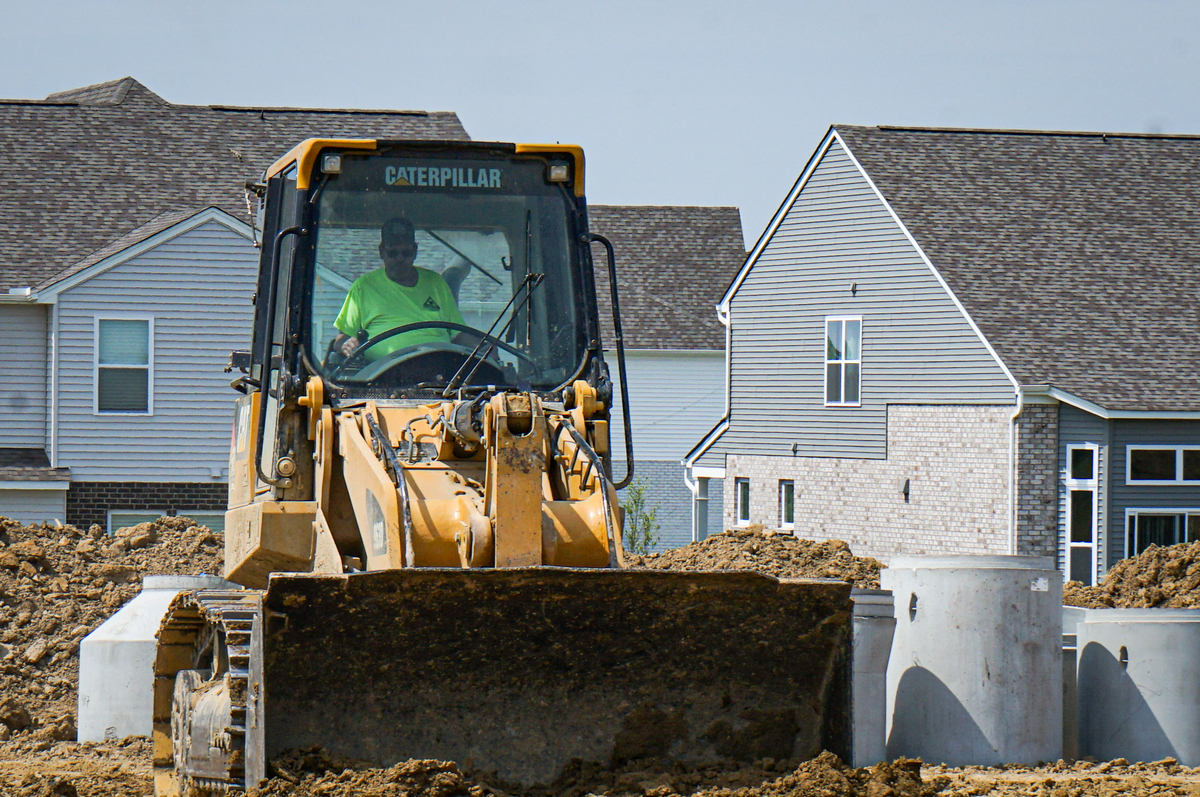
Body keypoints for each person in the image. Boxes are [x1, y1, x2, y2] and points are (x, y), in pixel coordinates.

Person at [333, 218, 468, 361]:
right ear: (381, 252)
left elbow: (459, 334)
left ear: (415, 252)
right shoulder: (362, 287)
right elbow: (341, 340)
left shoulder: (436, 283)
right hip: (382, 377)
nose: (399, 258)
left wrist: (485, 348)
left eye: (406, 253)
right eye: (392, 253)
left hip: (438, 372)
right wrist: (346, 345)